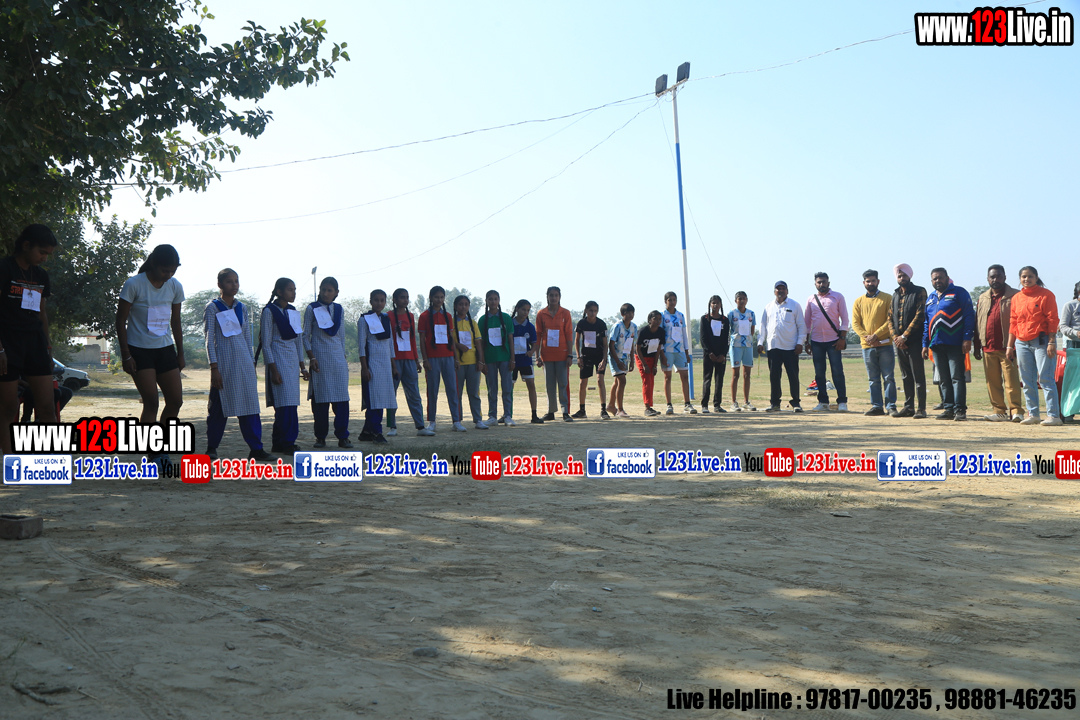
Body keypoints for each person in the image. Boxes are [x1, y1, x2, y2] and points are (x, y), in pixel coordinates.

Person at [115, 244, 185, 465]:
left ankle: (162, 445)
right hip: (139, 351)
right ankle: (155, 452)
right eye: (165, 270)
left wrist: (180, 353)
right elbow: (120, 320)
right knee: (151, 402)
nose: (169, 275)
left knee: (175, 401)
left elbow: (176, 321)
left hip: (165, 349)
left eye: (173, 271)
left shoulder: (175, 286)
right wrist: (126, 355)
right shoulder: (134, 284)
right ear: (153, 263)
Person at [0, 224, 58, 456]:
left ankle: (51, 460)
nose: (44, 258)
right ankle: (10, 461)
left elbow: (42, 313)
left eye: (48, 254)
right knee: (8, 408)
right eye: (41, 252)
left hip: (35, 344)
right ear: (26, 245)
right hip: (7, 344)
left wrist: (48, 346)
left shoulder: (41, 275)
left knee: (47, 406)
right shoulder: (4, 268)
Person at [204, 268, 270, 460]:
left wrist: (251, 362)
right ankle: (211, 448)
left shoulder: (242, 307)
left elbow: (247, 337)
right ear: (220, 285)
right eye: (229, 281)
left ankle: (256, 449)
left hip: (244, 363)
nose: (234, 285)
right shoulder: (213, 307)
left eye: (236, 281)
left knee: (250, 406)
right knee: (219, 406)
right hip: (223, 365)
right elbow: (209, 339)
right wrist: (214, 368)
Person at [258, 277, 309, 453]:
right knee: (283, 405)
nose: (293, 293)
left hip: (292, 363)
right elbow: (266, 343)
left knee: (290, 404)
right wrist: (273, 370)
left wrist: (302, 366)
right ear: (279, 292)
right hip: (278, 361)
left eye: (294, 290)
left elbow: (298, 341)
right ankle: (286, 442)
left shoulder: (293, 312)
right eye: (289, 290)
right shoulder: (269, 312)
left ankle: (279, 443)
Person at [1008, 266, 1062, 426]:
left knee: (1045, 378)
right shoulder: (1016, 298)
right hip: (1021, 342)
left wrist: (1051, 342)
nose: (1026, 279)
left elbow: (1053, 319)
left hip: (1042, 341)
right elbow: (1013, 322)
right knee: (1027, 380)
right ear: (1020, 279)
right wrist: (1009, 346)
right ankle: (1033, 414)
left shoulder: (1046, 295)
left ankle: (1053, 416)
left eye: (1030, 276)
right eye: (1023, 277)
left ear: (1036, 277)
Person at [303, 277, 352, 448]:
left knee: (341, 400)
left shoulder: (339, 309)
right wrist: (312, 357)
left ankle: (343, 437)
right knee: (320, 402)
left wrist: (343, 358)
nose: (326, 293)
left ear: (336, 292)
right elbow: (305, 336)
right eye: (323, 289)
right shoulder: (312, 308)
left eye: (330, 290)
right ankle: (320, 437)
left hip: (338, 361)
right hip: (320, 361)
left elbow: (341, 337)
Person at [972, 265, 1023, 422]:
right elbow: (977, 322)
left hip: (1008, 347)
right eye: (992, 277)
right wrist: (977, 345)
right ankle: (999, 411)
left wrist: (1015, 345)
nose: (996, 280)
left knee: (1011, 381)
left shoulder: (1015, 295)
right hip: (988, 346)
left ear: (1004, 277)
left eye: (999, 276)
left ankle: (1016, 411)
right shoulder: (983, 298)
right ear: (988, 279)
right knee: (992, 382)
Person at [922, 268, 974, 421]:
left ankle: (960, 410)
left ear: (947, 278)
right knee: (943, 379)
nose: (938, 281)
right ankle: (948, 409)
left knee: (957, 377)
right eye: (934, 279)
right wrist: (925, 344)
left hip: (955, 342)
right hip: (936, 344)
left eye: (940, 278)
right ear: (931, 281)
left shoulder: (959, 292)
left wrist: (967, 338)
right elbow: (926, 322)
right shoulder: (930, 298)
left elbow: (969, 315)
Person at [417, 285, 465, 433]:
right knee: (432, 390)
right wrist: (425, 359)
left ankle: (456, 421)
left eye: (441, 297)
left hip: (448, 357)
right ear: (431, 298)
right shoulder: (424, 316)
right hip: (432, 358)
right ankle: (432, 421)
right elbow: (422, 339)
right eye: (436, 297)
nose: (439, 300)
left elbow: (451, 338)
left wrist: (456, 358)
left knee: (453, 389)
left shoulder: (448, 316)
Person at [851, 270, 896, 417]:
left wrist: (876, 335)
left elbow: (890, 320)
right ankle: (877, 406)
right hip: (867, 346)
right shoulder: (858, 301)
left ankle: (891, 406)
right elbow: (855, 323)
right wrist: (867, 338)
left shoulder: (888, 298)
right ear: (864, 283)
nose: (870, 283)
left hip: (885, 344)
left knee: (888, 377)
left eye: (873, 280)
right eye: (868, 281)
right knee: (873, 379)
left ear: (878, 281)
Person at [387, 288, 430, 436]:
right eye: (402, 297)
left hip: (410, 359)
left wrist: (416, 360)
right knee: (391, 394)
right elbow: (388, 340)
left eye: (407, 297)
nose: (405, 300)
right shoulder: (388, 316)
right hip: (395, 360)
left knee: (414, 394)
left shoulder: (410, 316)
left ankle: (420, 427)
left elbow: (412, 339)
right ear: (394, 300)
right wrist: (390, 361)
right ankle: (392, 426)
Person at [804, 272, 849, 412]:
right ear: (815, 284)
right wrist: (806, 342)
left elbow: (845, 319)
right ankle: (823, 402)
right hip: (816, 341)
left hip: (834, 341)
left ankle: (842, 402)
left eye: (824, 282)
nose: (821, 284)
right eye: (819, 282)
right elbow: (807, 323)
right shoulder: (811, 299)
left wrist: (842, 338)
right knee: (819, 373)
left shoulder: (838, 297)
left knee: (837, 371)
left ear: (828, 283)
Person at [758, 281, 805, 413]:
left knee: (793, 376)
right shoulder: (768, 307)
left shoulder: (795, 305)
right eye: (778, 289)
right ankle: (775, 403)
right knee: (774, 377)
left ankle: (796, 402)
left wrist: (800, 343)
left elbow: (801, 326)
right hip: (773, 347)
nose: (780, 291)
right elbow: (762, 326)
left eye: (783, 288)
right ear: (774, 292)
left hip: (791, 347)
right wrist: (760, 342)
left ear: (787, 291)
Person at [888, 263, 928, 418]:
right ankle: (908, 407)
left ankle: (921, 409)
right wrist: (895, 338)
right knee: (905, 376)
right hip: (900, 343)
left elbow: (920, 315)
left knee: (918, 375)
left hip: (914, 340)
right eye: (899, 276)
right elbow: (890, 318)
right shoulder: (895, 295)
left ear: (909, 276)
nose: (901, 278)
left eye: (904, 275)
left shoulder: (919, 291)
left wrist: (904, 336)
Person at [357, 289, 397, 442]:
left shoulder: (386, 319)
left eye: (382, 300)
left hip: (385, 365)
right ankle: (376, 432)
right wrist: (364, 368)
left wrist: (393, 366)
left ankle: (366, 432)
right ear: (370, 301)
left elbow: (390, 344)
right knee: (374, 400)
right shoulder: (364, 320)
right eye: (376, 300)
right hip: (372, 364)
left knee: (383, 398)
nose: (379, 303)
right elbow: (361, 345)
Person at [535, 286, 574, 422]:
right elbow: (538, 335)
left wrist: (570, 355)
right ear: (547, 297)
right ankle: (551, 411)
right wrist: (537, 356)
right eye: (551, 295)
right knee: (549, 385)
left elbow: (569, 334)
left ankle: (565, 412)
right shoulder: (541, 314)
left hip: (562, 355)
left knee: (563, 383)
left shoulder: (565, 313)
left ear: (559, 297)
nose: (553, 298)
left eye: (556, 295)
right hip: (547, 355)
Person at [479, 290, 515, 425]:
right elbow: (480, 343)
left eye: (495, 299)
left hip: (505, 358)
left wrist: (512, 359)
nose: (493, 302)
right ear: (486, 301)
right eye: (490, 299)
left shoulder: (506, 318)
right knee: (492, 388)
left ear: (499, 300)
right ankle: (492, 416)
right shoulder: (483, 320)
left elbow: (510, 339)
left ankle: (507, 416)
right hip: (489, 358)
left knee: (507, 388)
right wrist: (482, 361)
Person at [453, 294, 488, 430]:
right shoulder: (451, 323)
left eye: (466, 304)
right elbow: (448, 341)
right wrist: (457, 345)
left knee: (474, 393)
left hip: (473, 363)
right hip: (458, 364)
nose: (463, 307)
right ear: (455, 306)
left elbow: (478, 343)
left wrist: (481, 361)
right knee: (457, 393)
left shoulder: (473, 323)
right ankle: (457, 421)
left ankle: (478, 420)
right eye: (460, 304)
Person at [661, 291, 696, 415]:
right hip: (668, 351)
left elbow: (684, 334)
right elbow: (660, 335)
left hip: (680, 350)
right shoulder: (662, 316)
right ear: (665, 301)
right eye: (669, 300)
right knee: (668, 377)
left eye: (674, 300)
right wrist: (661, 353)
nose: (672, 302)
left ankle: (687, 404)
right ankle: (669, 405)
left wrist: (687, 351)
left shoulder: (680, 315)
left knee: (685, 376)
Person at [573, 301, 609, 419]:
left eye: (595, 311)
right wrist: (578, 357)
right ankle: (582, 410)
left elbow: (605, 344)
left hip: (599, 356)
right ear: (586, 311)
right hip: (586, 356)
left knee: (600, 380)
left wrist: (604, 360)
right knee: (583, 382)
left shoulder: (601, 324)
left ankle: (603, 410)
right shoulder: (581, 323)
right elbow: (577, 340)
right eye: (590, 311)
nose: (593, 313)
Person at [511, 299, 543, 424]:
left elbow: (534, 344)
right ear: (517, 309)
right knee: (509, 387)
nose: (525, 312)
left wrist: (532, 352)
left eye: (528, 310)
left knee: (531, 385)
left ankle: (534, 414)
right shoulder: (510, 324)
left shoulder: (530, 326)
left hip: (526, 361)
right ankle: (507, 414)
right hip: (512, 361)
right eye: (523, 309)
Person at [699, 295, 729, 413]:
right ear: (710, 304)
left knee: (719, 380)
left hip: (720, 355)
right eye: (713, 303)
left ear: (721, 305)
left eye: (717, 303)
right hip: (709, 355)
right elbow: (703, 338)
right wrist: (709, 353)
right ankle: (704, 405)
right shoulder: (705, 319)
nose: (715, 305)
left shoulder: (725, 320)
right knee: (707, 379)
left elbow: (726, 339)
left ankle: (717, 405)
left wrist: (723, 354)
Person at [727, 291, 756, 411]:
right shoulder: (731, 313)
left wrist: (747, 339)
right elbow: (728, 329)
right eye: (740, 299)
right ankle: (734, 402)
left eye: (744, 298)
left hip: (748, 346)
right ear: (736, 301)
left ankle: (746, 401)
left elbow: (752, 330)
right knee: (736, 374)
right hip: (736, 346)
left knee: (747, 374)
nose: (742, 301)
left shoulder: (751, 313)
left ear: (747, 300)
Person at [607, 303, 637, 418]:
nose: (630, 315)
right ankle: (620, 409)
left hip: (625, 357)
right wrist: (617, 361)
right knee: (622, 381)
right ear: (622, 314)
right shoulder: (617, 326)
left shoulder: (634, 327)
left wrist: (632, 360)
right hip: (615, 357)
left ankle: (611, 405)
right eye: (628, 313)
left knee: (617, 381)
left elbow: (632, 343)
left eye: (632, 313)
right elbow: (611, 344)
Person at [636, 310, 668, 416]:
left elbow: (658, 348)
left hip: (652, 357)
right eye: (655, 319)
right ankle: (647, 407)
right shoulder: (643, 331)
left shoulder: (661, 332)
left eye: (660, 319)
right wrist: (644, 364)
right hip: (642, 357)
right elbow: (637, 349)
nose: (658, 321)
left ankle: (650, 406)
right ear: (650, 320)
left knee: (651, 381)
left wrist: (655, 365)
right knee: (647, 380)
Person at [1059, 281, 1080, 423]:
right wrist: (1076, 333)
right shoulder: (1070, 305)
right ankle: (1068, 412)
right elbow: (1063, 326)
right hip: (1075, 346)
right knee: (1073, 381)